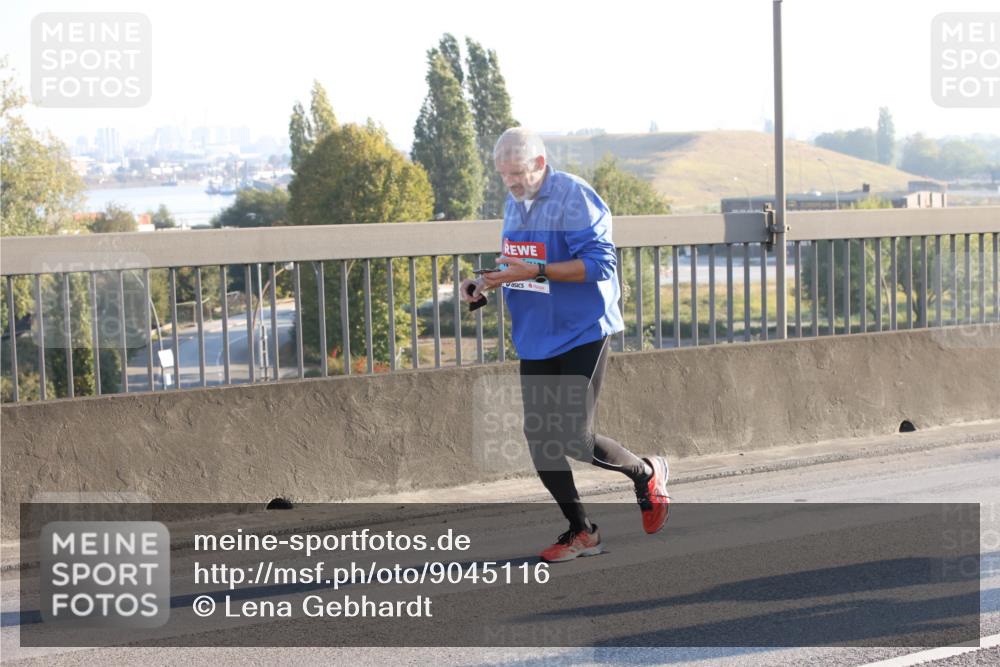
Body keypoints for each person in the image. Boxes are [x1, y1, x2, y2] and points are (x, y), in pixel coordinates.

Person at [460, 128, 670, 563]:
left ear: (539, 164)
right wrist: (483, 282)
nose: (511, 184)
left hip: (582, 329)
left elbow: (600, 264)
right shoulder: (514, 203)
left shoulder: (574, 196)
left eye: (517, 173)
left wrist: (534, 270)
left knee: (573, 436)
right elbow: (516, 263)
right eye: (504, 175)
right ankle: (582, 532)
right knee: (539, 437)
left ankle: (646, 473)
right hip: (537, 335)